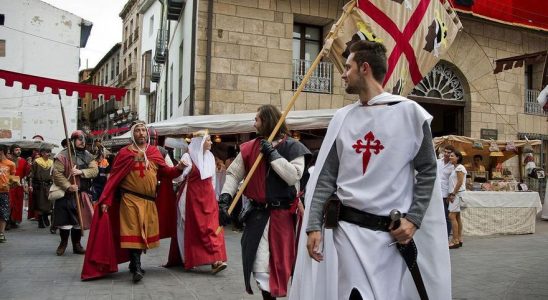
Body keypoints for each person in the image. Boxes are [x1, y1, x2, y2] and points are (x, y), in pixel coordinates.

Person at [290, 41, 450, 300]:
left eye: (348, 67)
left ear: (364, 68)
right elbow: (326, 178)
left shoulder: (410, 114)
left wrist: (414, 219)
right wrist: (313, 226)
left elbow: (428, 170)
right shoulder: (343, 118)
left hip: (389, 236)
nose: (343, 73)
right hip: (348, 231)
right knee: (354, 295)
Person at [219, 104, 311, 299]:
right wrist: (225, 199)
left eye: (257, 119)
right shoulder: (250, 147)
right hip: (258, 215)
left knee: (280, 265)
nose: (254, 124)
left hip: (282, 216)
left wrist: (273, 155)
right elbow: (234, 174)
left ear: (267, 120)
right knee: (259, 265)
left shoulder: (293, 147)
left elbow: (293, 176)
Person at [81, 121, 185, 283]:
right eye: (138, 131)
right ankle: (136, 266)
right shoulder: (124, 153)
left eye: (144, 130)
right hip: (130, 198)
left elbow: (167, 173)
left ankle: (133, 263)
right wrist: (106, 200)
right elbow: (113, 179)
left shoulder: (154, 153)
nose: (142, 133)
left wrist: (178, 168)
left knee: (143, 234)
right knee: (133, 231)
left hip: (149, 201)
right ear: (133, 134)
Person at [167, 130, 228, 274]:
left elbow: (212, 179)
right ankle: (189, 258)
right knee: (194, 228)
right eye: (208, 140)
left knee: (212, 228)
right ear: (200, 142)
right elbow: (177, 178)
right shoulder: (188, 156)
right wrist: (179, 168)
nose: (211, 143)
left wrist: (214, 197)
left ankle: (215, 259)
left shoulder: (211, 157)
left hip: (208, 199)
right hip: (191, 198)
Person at [52, 130, 98, 256]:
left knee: (79, 222)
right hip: (66, 194)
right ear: (72, 141)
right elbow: (57, 174)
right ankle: (63, 243)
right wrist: (68, 186)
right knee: (65, 223)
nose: (82, 142)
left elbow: (95, 170)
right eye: (79, 139)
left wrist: (81, 172)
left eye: (83, 139)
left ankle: (77, 245)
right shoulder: (63, 155)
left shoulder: (88, 155)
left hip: (82, 193)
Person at [29, 147, 53, 229]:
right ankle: (40, 221)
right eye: (47, 152)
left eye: (49, 152)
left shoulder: (51, 162)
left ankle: (46, 216)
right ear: (42, 153)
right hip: (39, 185)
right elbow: (31, 174)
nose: (48, 154)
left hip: (49, 185)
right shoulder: (37, 161)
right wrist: (30, 185)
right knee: (40, 203)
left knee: (49, 202)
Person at [447, 150, 466, 249]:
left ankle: (455, 240)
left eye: (452, 156)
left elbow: (459, 182)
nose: (450, 157)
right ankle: (459, 238)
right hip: (456, 194)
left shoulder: (459, 168)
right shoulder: (455, 168)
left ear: (457, 157)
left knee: (451, 215)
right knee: (457, 216)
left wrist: (453, 193)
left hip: (457, 194)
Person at [8, 144, 30, 229]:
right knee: (9, 204)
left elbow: (26, 174)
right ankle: (7, 221)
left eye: (19, 150)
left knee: (18, 204)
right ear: (12, 151)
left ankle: (14, 221)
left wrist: (29, 167)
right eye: (17, 150)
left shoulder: (23, 161)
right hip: (9, 185)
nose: (19, 151)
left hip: (19, 185)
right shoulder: (7, 160)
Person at [437, 145, 455, 236]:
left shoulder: (453, 166)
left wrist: (451, 194)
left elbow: (453, 182)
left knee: (446, 216)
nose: (447, 154)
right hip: (436, 192)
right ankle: (439, 235)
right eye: (445, 152)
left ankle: (446, 236)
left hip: (446, 194)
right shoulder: (437, 162)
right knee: (437, 215)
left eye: (449, 152)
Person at [0, 145, 16, 243]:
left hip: (4, 192)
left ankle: (1, 233)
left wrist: (12, 184)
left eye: (0, 152)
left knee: (3, 213)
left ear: (4, 152)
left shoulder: (10, 164)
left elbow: (13, 179)